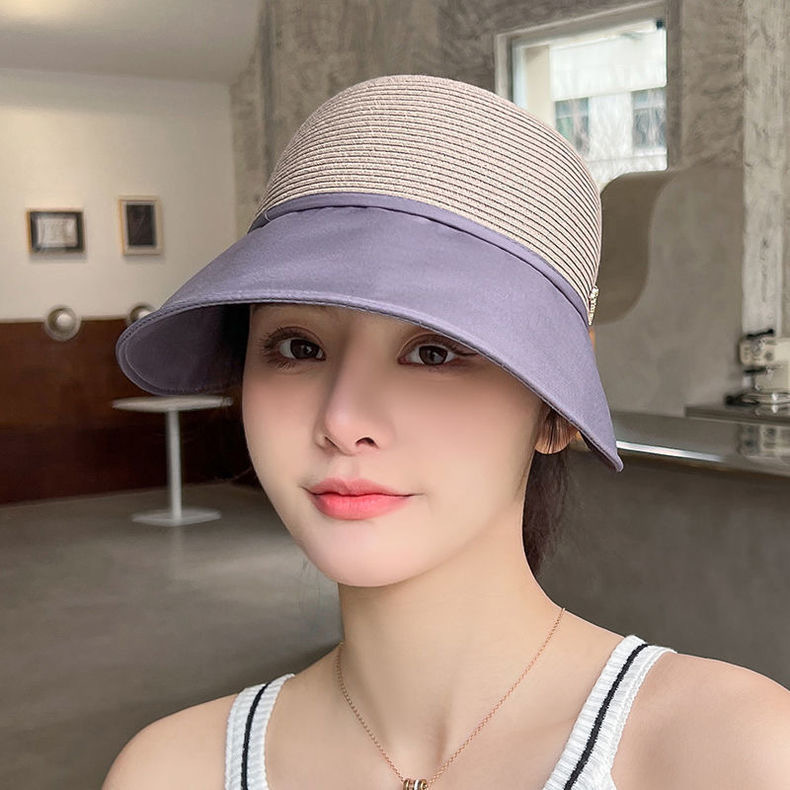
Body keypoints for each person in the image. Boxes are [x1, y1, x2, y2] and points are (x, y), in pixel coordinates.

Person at [104, 74, 790, 789]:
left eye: (433, 352)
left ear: (556, 407)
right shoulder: (170, 772)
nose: (342, 420)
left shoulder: (733, 756)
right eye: (299, 347)